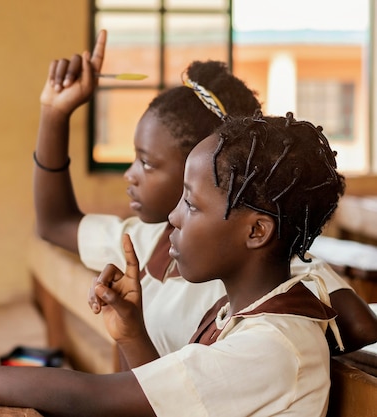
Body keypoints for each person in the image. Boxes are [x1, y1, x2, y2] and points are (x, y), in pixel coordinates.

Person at [0, 112, 344, 416]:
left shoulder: (275, 346)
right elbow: (169, 405)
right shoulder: (237, 314)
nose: (172, 215)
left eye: (191, 205)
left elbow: (95, 398)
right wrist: (132, 333)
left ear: (257, 231)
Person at [34, 29, 377, 357]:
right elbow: (54, 224)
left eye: (147, 163)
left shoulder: (254, 266)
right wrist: (54, 113)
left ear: (200, 164)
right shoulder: (141, 241)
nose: (130, 174)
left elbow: (361, 327)